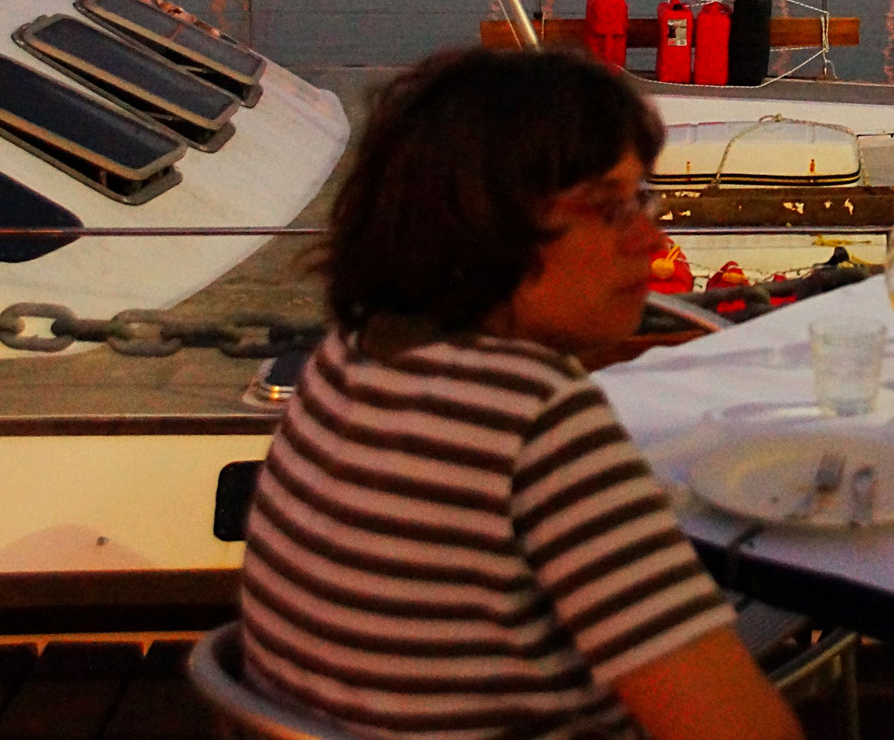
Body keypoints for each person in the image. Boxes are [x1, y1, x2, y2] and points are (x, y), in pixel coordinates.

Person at [239, 48, 804, 740]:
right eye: (611, 208)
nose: (652, 237)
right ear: (489, 224)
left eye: (644, 199)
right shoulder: (536, 419)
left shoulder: (350, 357)